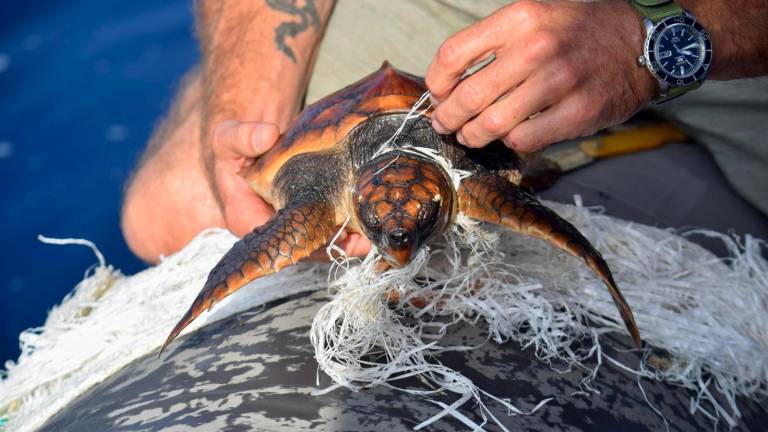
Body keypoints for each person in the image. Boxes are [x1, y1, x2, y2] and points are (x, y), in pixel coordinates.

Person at [120, 0, 767, 264]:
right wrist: (246, 110)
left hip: (721, 39)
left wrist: (649, 36)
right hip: (460, 35)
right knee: (173, 208)